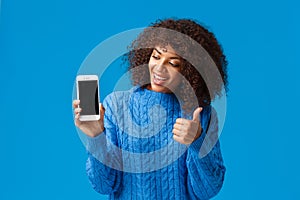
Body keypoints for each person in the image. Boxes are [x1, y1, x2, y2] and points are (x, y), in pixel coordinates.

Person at [73, 18, 228, 200]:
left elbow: (209, 190)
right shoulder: (117, 105)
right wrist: (96, 137)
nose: (160, 68)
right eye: (156, 56)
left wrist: (197, 142)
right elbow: (104, 184)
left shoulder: (201, 114)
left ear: (191, 71)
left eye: (173, 63)